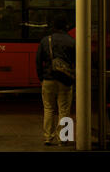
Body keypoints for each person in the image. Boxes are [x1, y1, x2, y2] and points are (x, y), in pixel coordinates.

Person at [36, 14, 75, 146]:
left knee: (48, 108)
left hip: (48, 79)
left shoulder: (46, 40)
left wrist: (41, 77)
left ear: (53, 26)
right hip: (65, 80)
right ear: (66, 26)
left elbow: (38, 61)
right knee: (64, 109)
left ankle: (48, 137)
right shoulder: (72, 41)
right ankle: (63, 138)